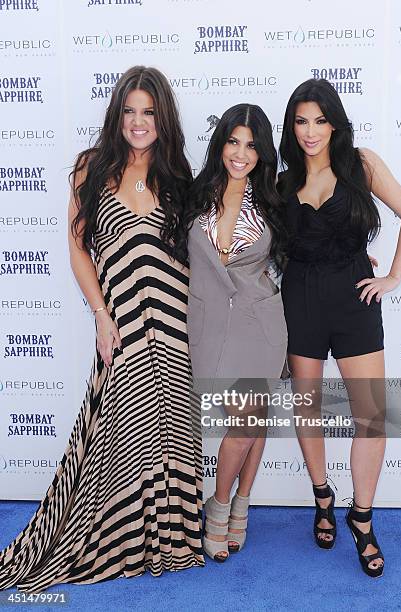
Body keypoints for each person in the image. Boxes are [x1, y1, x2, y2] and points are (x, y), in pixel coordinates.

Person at [0, 65, 204, 592]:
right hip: (124, 323)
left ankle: (168, 536)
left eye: (150, 112)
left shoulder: (177, 171)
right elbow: (77, 247)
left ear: (163, 119)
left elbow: (202, 245)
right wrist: (100, 314)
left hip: (174, 321)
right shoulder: (91, 168)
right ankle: (116, 536)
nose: (139, 122)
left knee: (171, 431)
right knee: (122, 433)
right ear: (118, 114)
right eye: (131, 111)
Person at [278, 78, 401, 578]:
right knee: (308, 408)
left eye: (319, 120)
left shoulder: (361, 164)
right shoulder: (281, 179)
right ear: (291, 126)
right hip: (301, 301)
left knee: (373, 415)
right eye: (301, 120)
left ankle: (362, 516)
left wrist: (394, 276)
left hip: (355, 299)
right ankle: (322, 493)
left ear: (334, 121)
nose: (311, 131)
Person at [186, 104, 288, 562]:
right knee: (247, 424)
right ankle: (238, 501)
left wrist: (351, 261)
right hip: (207, 324)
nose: (241, 153)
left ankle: (225, 505)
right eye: (233, 141)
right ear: (221, 143)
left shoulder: (276, 198)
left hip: (260, 323)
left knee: (247, 424)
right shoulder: (194, 194)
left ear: (262, 151)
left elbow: (305, 250)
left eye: (251, 144)